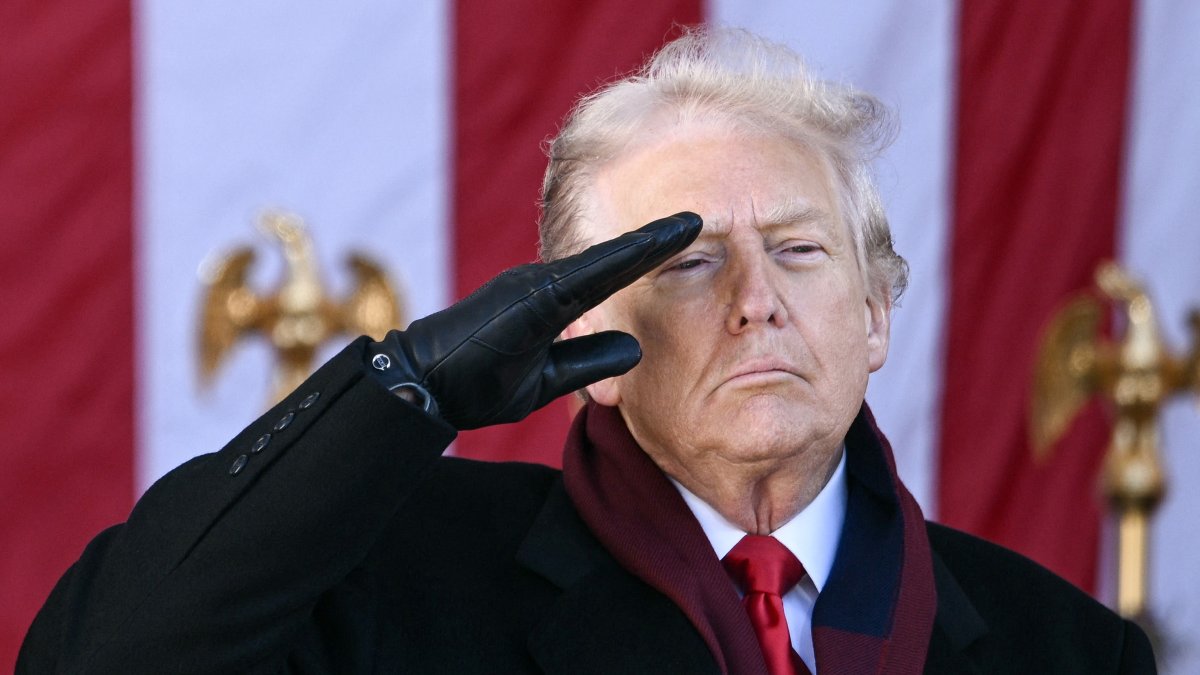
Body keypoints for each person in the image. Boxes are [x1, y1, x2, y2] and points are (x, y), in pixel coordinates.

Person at [19, 27, 1154, 675]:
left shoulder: (1066, 650)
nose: (758, 300)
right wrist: (398, 393)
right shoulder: (394, 585)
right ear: (585, 338)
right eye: (688, 260)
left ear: (876, 316)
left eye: (801, 250)